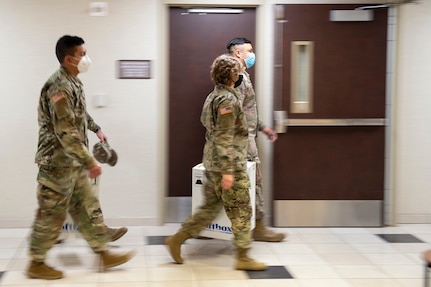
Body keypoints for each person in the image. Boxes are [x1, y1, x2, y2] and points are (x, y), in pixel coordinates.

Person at [27, 35, 135, 280]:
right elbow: (65, 130)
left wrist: (96, 128)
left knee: (88, 206)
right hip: (56, 163)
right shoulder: (59, 86)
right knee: (51, 214)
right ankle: (36, 263)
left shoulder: (72, 81)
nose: (87, 58)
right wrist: (89, 161)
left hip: (72, 162)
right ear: (69, 58)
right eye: (82, 54)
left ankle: (102, 252)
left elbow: (79, 115)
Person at [165, 54, 266, 271]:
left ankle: (177, 239)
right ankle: (243, 256)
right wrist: (229, 171)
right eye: (238, 72)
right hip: (227, 165)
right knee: (241, 210)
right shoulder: (228, 101)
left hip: (211, 163)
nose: (240, 76)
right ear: (231, 75)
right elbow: (224, 136)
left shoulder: (213, 96)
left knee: (208, 209)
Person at [227, 37, 285, 242]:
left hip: (244, 137)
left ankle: (207, 224)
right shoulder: (234, 78)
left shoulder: (243, 76)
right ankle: (258, 227)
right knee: (253, 182)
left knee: (229, 183)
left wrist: (262, 127)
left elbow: (247, 109)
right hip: (241, 141)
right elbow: (232, 112)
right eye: (249, 51)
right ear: (238, 53)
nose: (252, 55)